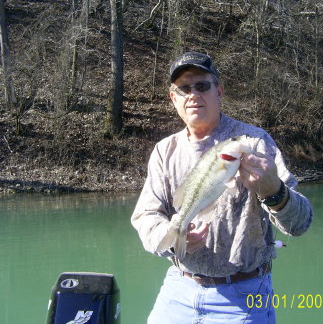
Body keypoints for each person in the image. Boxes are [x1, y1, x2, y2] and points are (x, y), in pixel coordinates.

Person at [131, 51, 313, 324]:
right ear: (174, 99)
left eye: (202, 85)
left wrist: (274, 191)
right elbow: (145, 217)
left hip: (245, 295)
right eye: (183, 88)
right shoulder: (164, 151)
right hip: (178, 290)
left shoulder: (254, 141)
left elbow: (300, 224)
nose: (193, 94)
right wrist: (172, 238)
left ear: (219, 91)